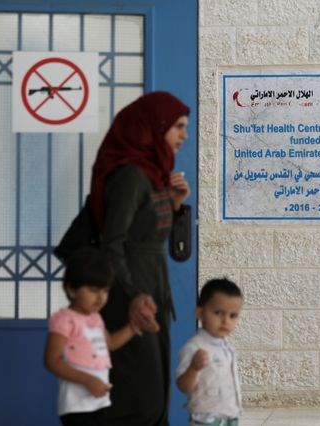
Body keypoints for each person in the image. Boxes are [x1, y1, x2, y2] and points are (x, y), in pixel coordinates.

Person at [90, 91, 191, 425]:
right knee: (139, 397)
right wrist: (133, 295)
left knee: (155, 392)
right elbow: (113, 244)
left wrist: (174, 203)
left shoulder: (152, 174)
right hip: (130, 293)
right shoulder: (131, 176)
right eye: (177, 126)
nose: (184, 135)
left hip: (150, 288)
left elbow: (148, 233)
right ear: (153, 126)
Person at [44, 247, 141, 426]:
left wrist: (132, 328)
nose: (101, 297)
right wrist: (88, 380)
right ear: (71, 289)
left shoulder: (96, 318)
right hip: (77, 406)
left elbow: (110, 343)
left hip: (100, 402)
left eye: (105, 290)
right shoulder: (64, 319)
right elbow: (52, 361)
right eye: (94, 290)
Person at [176, 278, 243, 426]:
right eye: (218, 313)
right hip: (206, 422)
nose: (225, 321)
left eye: (233, 315)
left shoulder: (227, 349)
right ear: (200, 313)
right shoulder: (194, 348)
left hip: (230, 420)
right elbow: (183, 386)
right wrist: (193, 368)